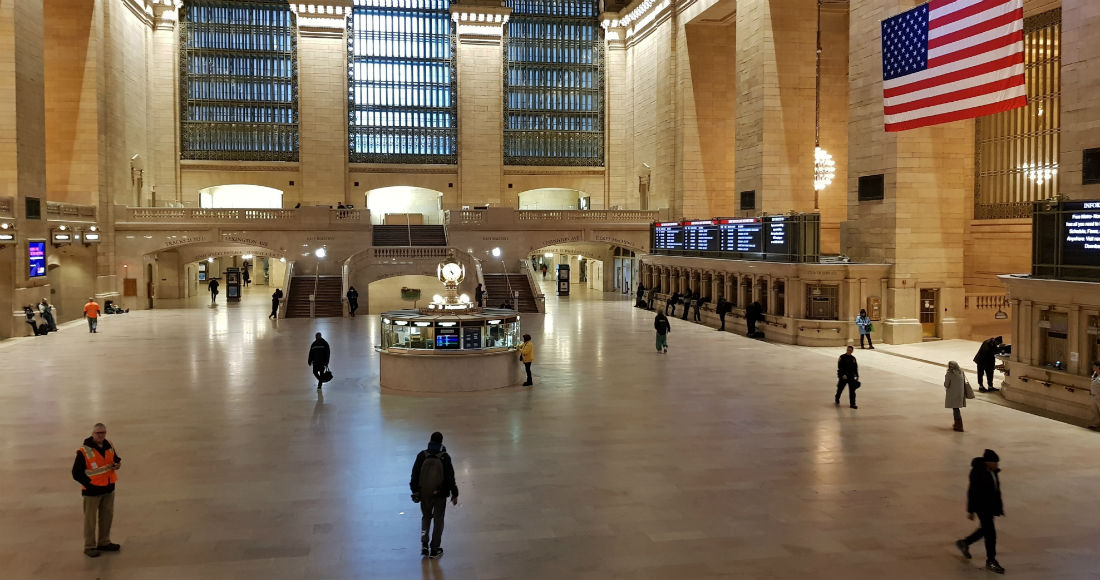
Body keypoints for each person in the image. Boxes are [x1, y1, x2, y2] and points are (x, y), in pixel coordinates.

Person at [72, 423, 122, 558]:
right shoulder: (84, 451)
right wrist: (89, 484)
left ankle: (104, 542)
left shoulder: (109, 445)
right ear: (93, 434)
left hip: (109, 488)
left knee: (107, 517)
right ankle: (89, 546)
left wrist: (117, 464)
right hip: (92, 492)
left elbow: (116, 459)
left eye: (103, 432)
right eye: (98, 433)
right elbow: (76, 473)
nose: (101, 435)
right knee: (90, 520)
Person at [956, 449, 1006, 574]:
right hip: (982, 507)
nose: (997, 465)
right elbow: (972, 492)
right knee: (990, 533)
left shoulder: (993, 471)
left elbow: (996, 491)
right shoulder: (977, 473)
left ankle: (964, 543)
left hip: (991, 507)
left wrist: (998, 507)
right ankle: (991, 560)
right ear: (988, 462)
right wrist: (971, 510)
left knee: (985, 530)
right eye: (995, 463)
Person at [410, 432, 458, 559]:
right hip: (440, 494)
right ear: (441, 442)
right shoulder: (445, 457)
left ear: (430, 441)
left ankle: (424, 545)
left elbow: (414, 475)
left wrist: (415, 491)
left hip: (424, 493)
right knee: (438, 520)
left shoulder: (422, 455)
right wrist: (454, 493)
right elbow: (450, 478)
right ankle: (435, 549)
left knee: (426, 517)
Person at [944, 361, 970, 432]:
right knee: (956, 408)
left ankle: (959, 426)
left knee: (956, 409)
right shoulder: (961, 372)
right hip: (960, 393)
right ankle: (957, 424)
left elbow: (946, 384)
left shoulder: (949, 374)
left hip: (953, 394)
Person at [1087, 361, 1100, 431]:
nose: (1093, 367)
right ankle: (1095, 424)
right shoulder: (1095, 374)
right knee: (1095, 411)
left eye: (1094, 366)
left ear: (1098, 367)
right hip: (1094, 396)